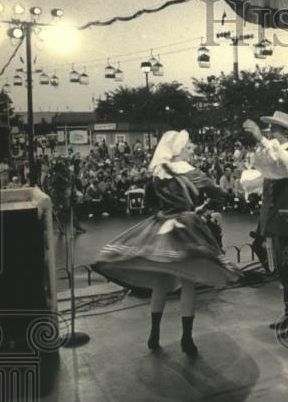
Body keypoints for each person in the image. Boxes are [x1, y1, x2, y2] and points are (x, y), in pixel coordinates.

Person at [93, 130, 241, 356]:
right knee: (188, 283)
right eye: (188, 146)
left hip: (162, 226)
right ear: (179, 150)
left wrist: (172, 207)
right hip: (186, 228)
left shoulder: (157, 172)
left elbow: (149, 201)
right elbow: (218, 193)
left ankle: (154, 334)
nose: (191, 149)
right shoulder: (190, 171)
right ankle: (186, 339)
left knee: (161, 282)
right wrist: (197, 206)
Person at [244, 111, 288, 340]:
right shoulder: (279, 155)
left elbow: (278, 164)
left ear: (285, 133)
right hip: (281, 222)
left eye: (274, 129)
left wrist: (260, 139)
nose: (270, 133)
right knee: (285, 270)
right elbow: (266, 168)